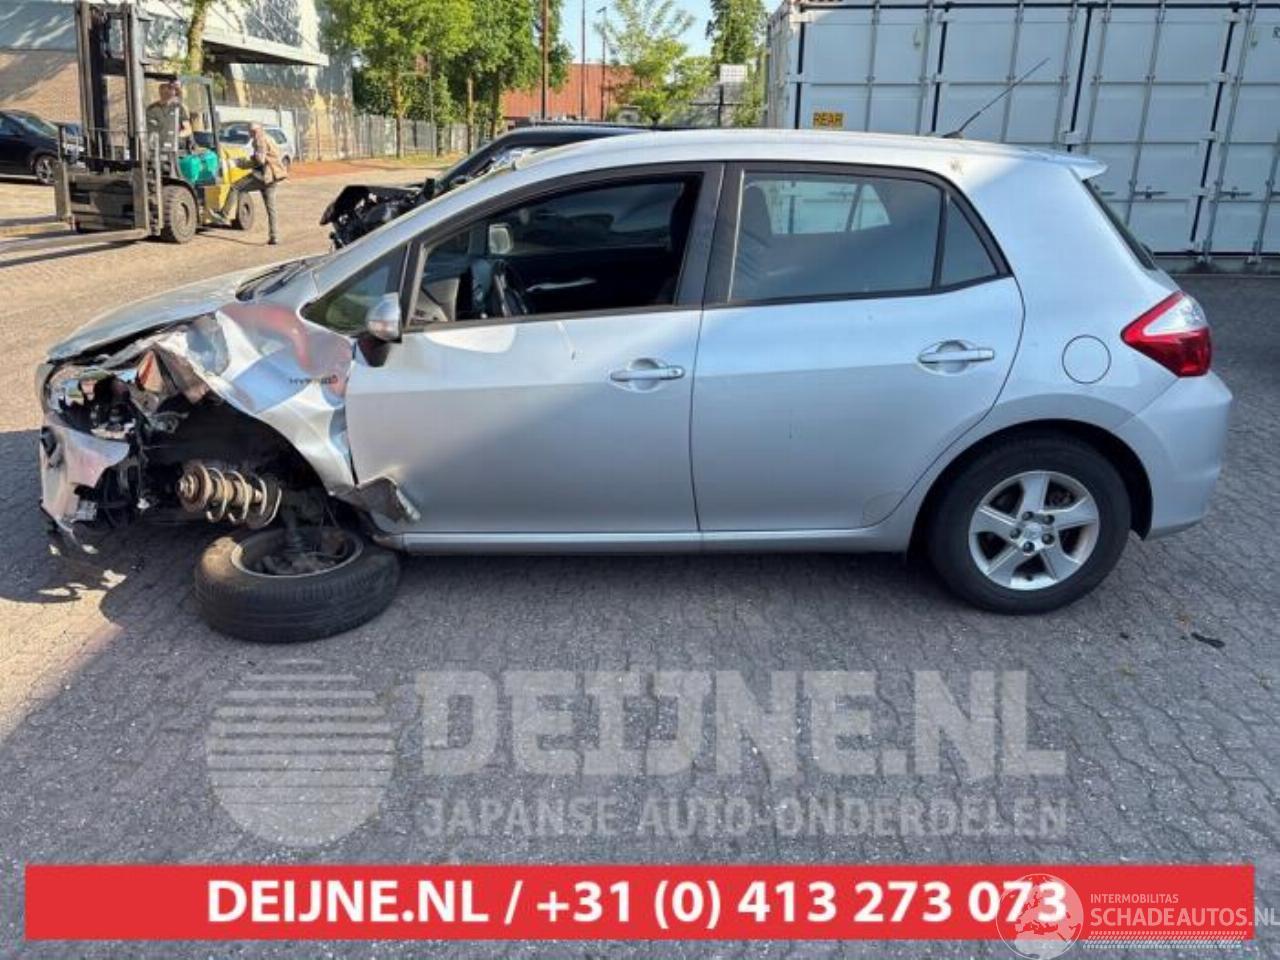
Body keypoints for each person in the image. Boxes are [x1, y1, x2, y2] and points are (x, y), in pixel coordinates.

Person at [215, 122, 288, 244]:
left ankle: (223, 215)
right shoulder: (269, 138)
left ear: (257, 130)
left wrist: (240, 163)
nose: (250, 133)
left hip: (263, 176)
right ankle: (274, 236)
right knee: (271, 208)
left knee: (235, 187)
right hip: (273, 177)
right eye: (250, 131)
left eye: (252, 131)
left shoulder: (260, 140)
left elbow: (260, 160)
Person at [145, 81, 191, 152]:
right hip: (156, 149)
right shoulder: (151, 109)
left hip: (175, 150)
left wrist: (175, 136)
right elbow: (147, 129)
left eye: (171, 89)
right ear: (160, 91)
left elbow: (188, 130)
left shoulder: (178, 108)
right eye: (165, 88)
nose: (168, 92)